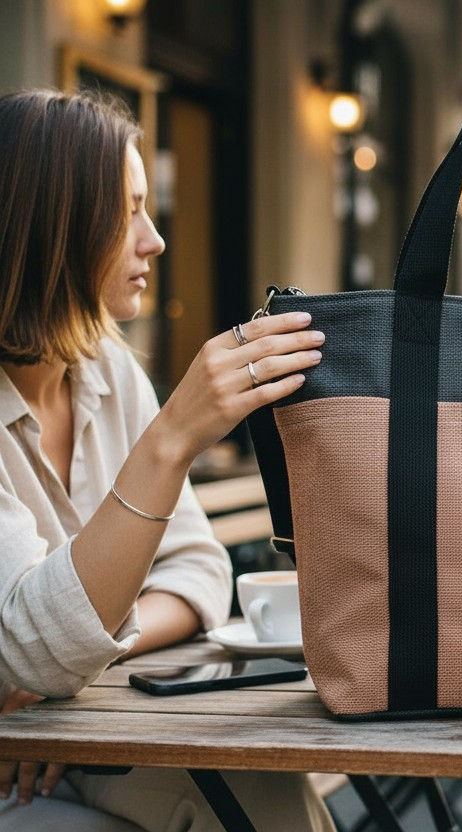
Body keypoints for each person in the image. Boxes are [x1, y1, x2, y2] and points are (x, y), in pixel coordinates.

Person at [0, 91, 333, 830]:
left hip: (76, 735)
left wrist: (66, 674)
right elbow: (26, 645)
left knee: (266, 791)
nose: (154, 240)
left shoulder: (106, 372)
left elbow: (201, 574)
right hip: (18, 776)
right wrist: (173, 437)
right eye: (128, 212)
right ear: (54, 226)